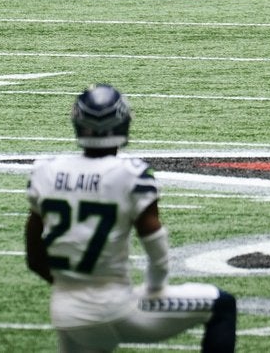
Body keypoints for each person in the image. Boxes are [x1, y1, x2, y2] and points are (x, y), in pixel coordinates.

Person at [25, 84, 237, 352]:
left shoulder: (46, 171)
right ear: (123, 121)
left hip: (66, 312)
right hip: (117, 307)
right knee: (222, 304)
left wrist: (73, 290)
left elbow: (33, 256)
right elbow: (155, 245)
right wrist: (156, 289)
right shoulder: (131, 174)